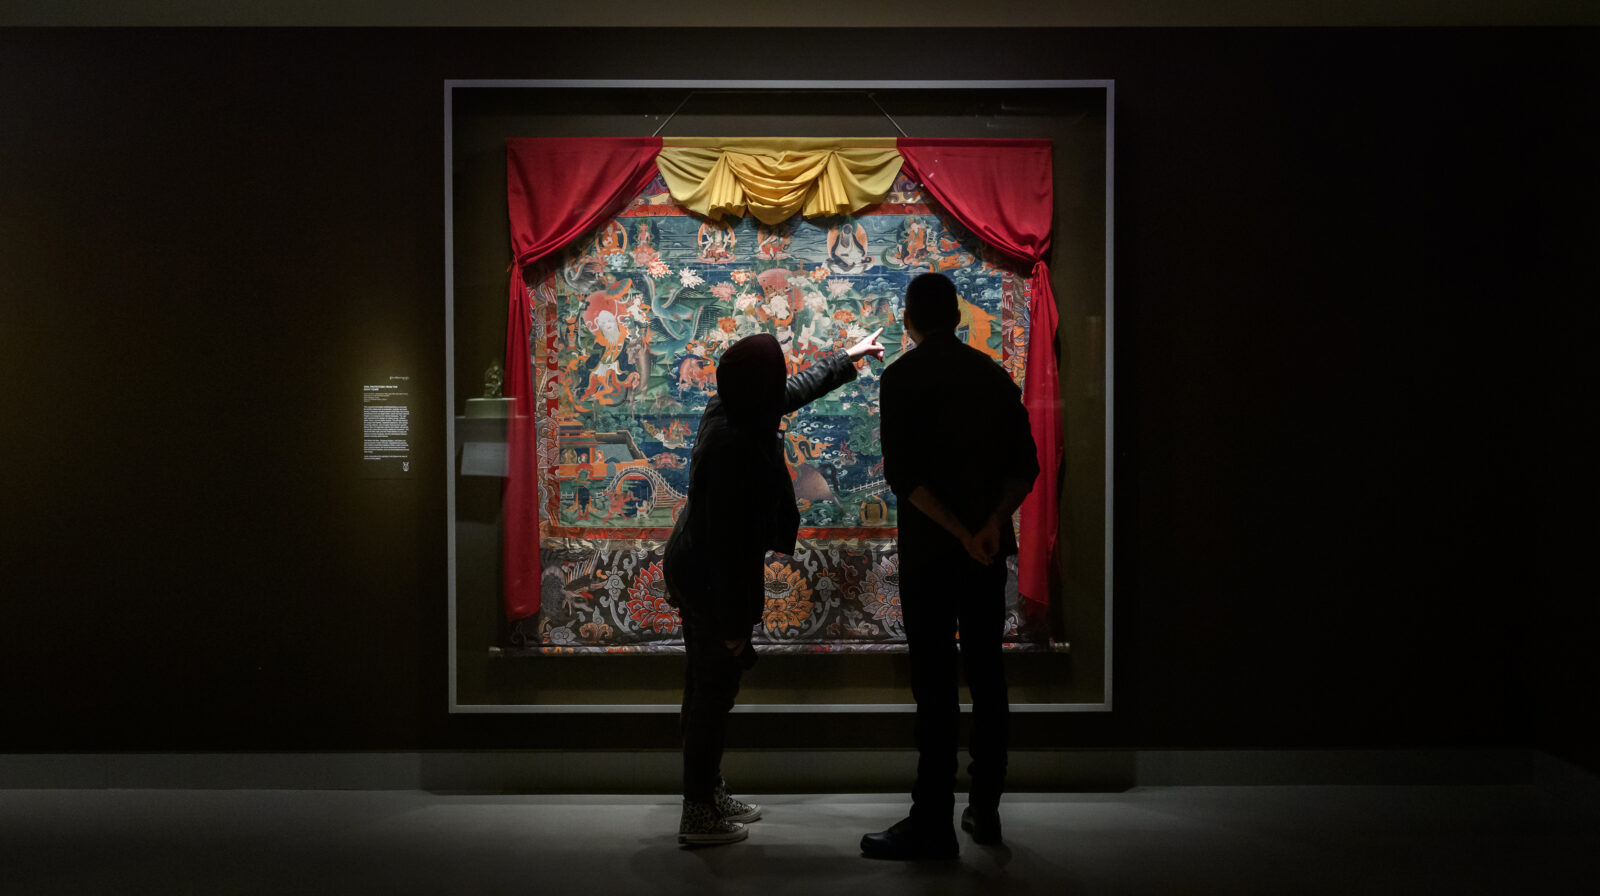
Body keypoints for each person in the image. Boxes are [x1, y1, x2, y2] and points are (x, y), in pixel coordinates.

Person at [664, 327, 885, 847]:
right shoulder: (734, 447)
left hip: (697, 569)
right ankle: (697, 811)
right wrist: (735, 625)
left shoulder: (730, 409)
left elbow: (789, 391)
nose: (781, 384)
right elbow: (731, 550)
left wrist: (845, 360)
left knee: (704, 688)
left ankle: (707, 790)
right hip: (709, 579)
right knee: (712, 694)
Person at [861, 272, 1038, 860]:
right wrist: (988, 525)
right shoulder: (993, 377)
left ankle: (931, 822)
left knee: (934, 688)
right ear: (957, 318)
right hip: (986, 554)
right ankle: (985, 811)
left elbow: (904, 478)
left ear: (908, 319)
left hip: (932, 558)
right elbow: (1026, 467)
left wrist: (961, 532)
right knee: (988, 679)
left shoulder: (901, 378)